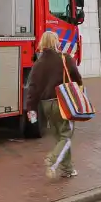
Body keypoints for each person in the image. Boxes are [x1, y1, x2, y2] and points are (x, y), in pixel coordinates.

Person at [25, 30, 84, 180]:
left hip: (46, 105)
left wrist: (31, 108)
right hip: (62, 102)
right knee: (67, 136)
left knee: (60, 136)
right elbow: (77, 79)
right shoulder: (65, 58)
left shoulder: (38, 64)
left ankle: (68, 170)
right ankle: (52, 159)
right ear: (56, 42)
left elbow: (32, 88)